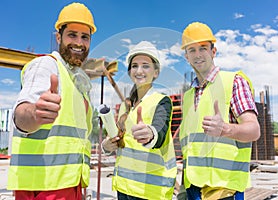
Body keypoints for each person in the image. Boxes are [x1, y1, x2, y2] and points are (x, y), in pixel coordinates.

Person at [7, 2, 97, 200]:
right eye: (72, 35)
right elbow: (21, 114)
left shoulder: (77, 82)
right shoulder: (46, 65)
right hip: (42, 188)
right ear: (59, 37)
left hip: (70, 184)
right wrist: (35, 114)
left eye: (85, 37)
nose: (79, 43)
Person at [179, 22, 261, 200]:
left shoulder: (233, 82)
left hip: (225, 190)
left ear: (213, 52)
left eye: (203, 48)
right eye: (191, 50)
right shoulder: (187, 96)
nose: (198, 55)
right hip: (193, 189)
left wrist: (226, 129)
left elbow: (254, 130)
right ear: (186, 56)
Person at [102, 41, 177, 200]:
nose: (139, 70)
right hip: (124, 187)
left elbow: (160, 130)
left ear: (156, 72)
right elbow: (121, 141)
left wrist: (150, 134)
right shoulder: (125, 106)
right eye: (134, 66)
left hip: (151, 192)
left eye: (146, 66)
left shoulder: (162, 101)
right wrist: (107, 146)